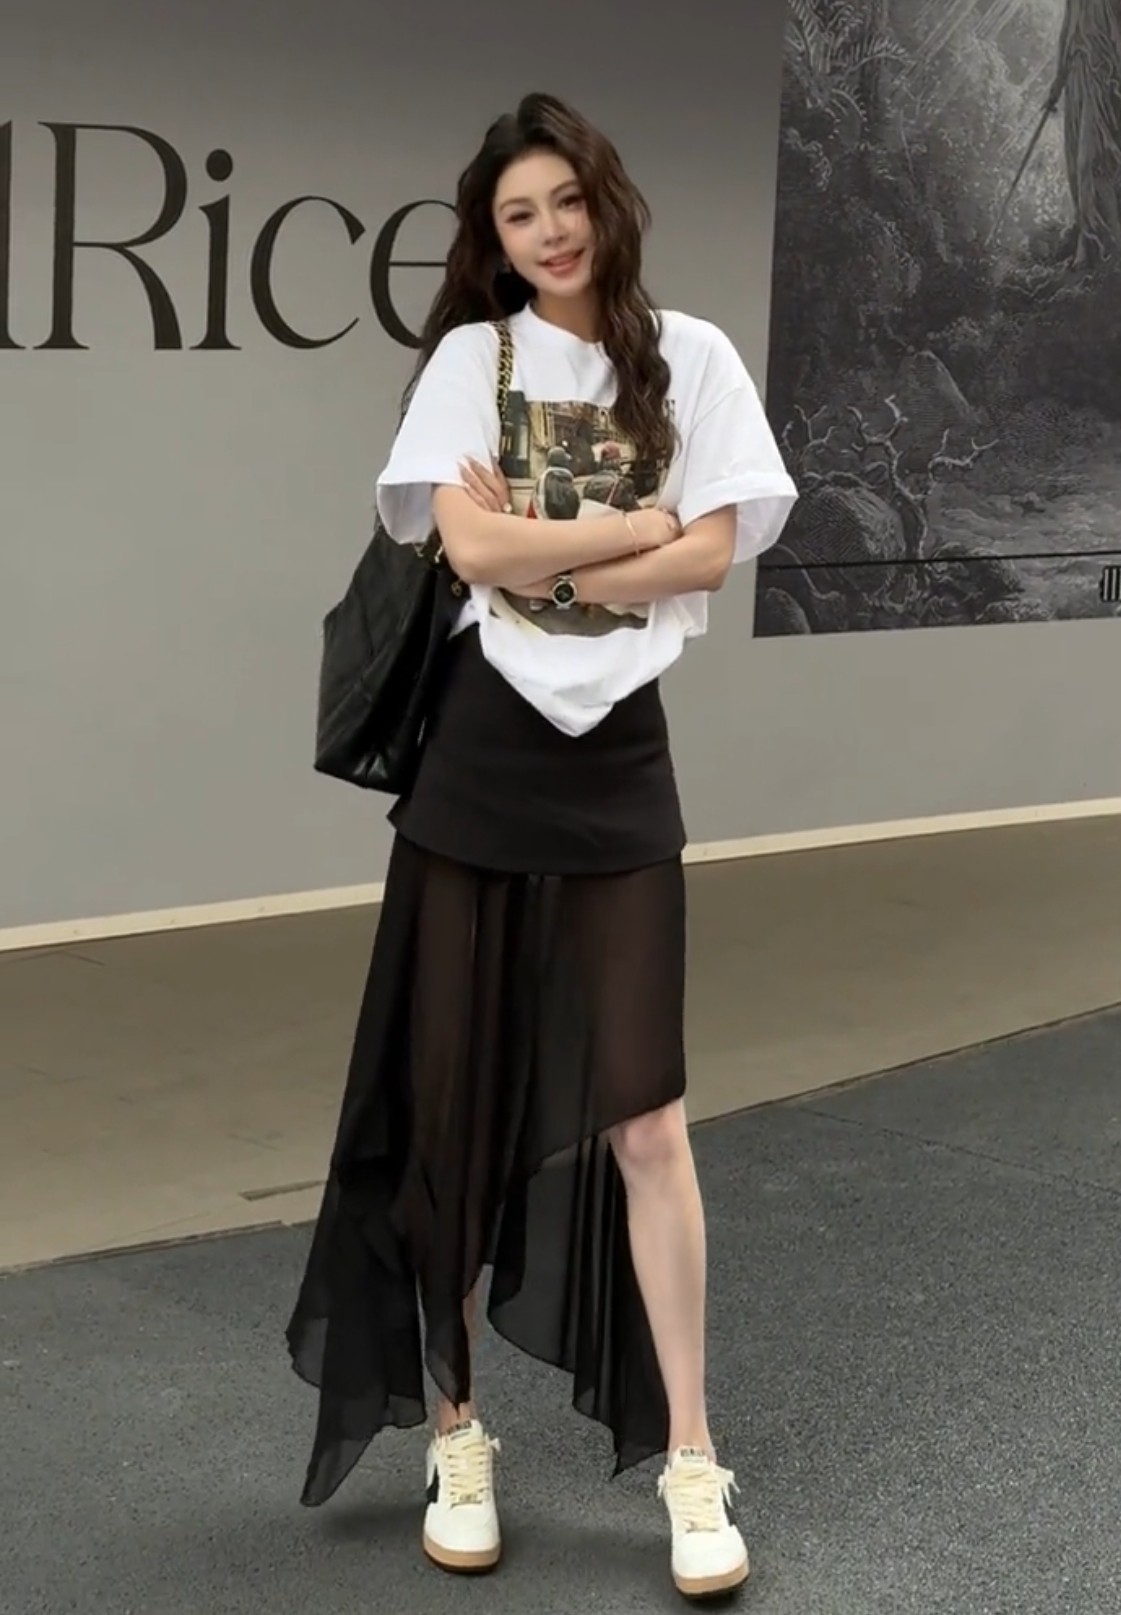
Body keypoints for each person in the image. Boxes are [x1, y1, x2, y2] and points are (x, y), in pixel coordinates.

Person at [286, 90, 796, 1601]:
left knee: (651, 1121)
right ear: (493, 239)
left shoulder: (691, 357)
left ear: (607, 201)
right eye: (519, 214)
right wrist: (631, 530)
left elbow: (720, 549)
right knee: (453, 1114)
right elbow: (471, 547)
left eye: (566, 200)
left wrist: (557, 544)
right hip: (479, 757)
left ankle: (691, 1457)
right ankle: (459, 1435)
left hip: (619, 762)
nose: (550, 231)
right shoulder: (473, 361)